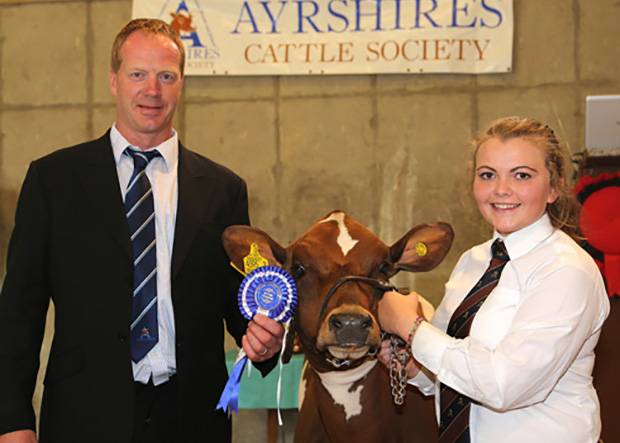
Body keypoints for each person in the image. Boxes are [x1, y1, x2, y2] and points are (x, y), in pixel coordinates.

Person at [0, 18, 283, 443]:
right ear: (114, 80)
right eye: (138, 74)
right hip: (84, 417)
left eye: (166, 76)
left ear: (182, 83)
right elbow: (18, 315)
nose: (152, 90)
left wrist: (266, 340)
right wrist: (13, 422)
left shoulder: (224, 189)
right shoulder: (53, 181)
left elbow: (237, 305)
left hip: (192, 420)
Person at [378, 116, 610, 443]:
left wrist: (412, 328)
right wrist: (415, 368)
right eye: (488, 175)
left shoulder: (566, 271)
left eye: (522, 175)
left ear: (554, 187)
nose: (501, 190)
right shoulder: (473, 261)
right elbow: (455, 367)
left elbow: (504, 387)